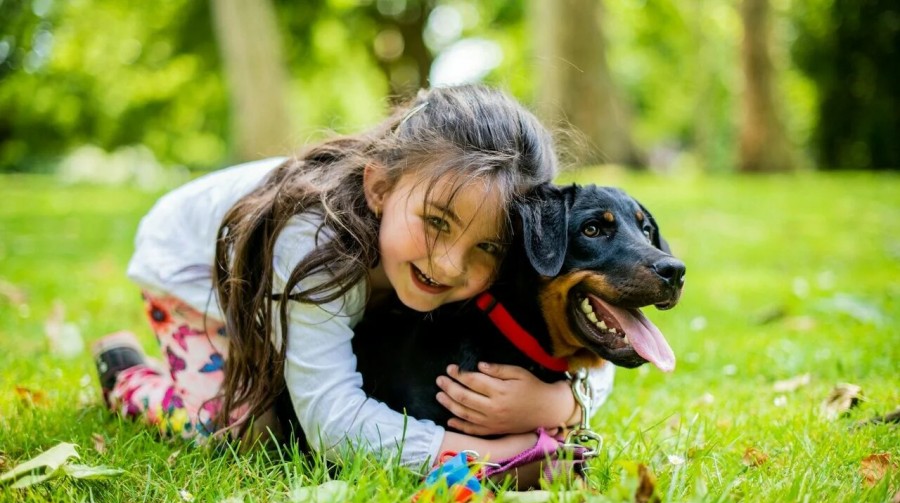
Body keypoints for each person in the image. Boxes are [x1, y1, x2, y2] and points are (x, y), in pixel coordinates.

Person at [92, 84, 615, 475]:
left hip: (311, 288)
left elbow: (590, 336)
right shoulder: (315, 242)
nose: (451, 265)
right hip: (193, 271)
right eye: (435, 223)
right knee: (248, 433)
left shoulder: (490, 236)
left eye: (488, 248)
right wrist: (491, 458)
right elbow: (330, 423)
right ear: (380, 188)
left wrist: (563, 403)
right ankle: (129, 378)